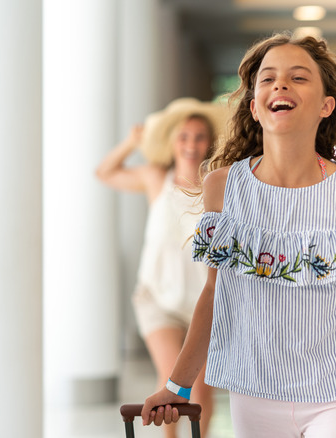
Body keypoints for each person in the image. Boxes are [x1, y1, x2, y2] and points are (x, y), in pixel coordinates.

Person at [139, 33, 336, 438]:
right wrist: (177, 384)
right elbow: (216, 293)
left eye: (298, 77)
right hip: (253, 389)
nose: (280, 85)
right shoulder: (222, 189)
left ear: (327, 106)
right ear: (255, 107)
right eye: (268, 78)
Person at [96, 97, 227, 438]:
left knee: (200, 392)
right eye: (184, 136)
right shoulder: (156, 179)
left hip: (205, 303)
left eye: (199, 137)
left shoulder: (217, 187)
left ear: (208, 143)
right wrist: (131, 143)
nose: (191, 145)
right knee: (171, 381)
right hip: (157, 299)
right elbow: (104, 172)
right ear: (172, 141)